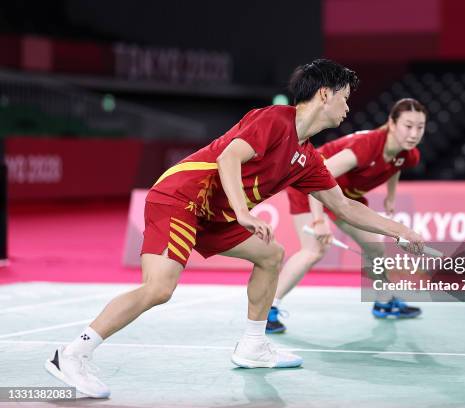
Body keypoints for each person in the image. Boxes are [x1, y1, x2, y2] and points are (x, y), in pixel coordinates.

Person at [44, 60, 424, 398]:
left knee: (271, 256)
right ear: (324, 94)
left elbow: (343, 205)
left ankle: (253, 346)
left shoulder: (307, 157)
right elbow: (229, 157)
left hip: (214, 214)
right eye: (344, 97)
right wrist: (243, 213)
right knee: (159, 288)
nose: (348, 106)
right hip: (181, 198)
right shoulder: (274, 119)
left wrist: (399, 230)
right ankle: (73, 354)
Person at [267, 98, 427, 334]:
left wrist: (390, 197)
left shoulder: (409, 154)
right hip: (307, 183)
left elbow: (396, 165)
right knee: (313, 250)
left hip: (343, 195)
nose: (414, 133)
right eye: (408, 125)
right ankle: (268, 310)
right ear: (392, 124)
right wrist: (319, 221)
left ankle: (384, 303)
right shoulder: (367, 146)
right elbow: (319, 175)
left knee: (375, 247)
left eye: (420, 127)